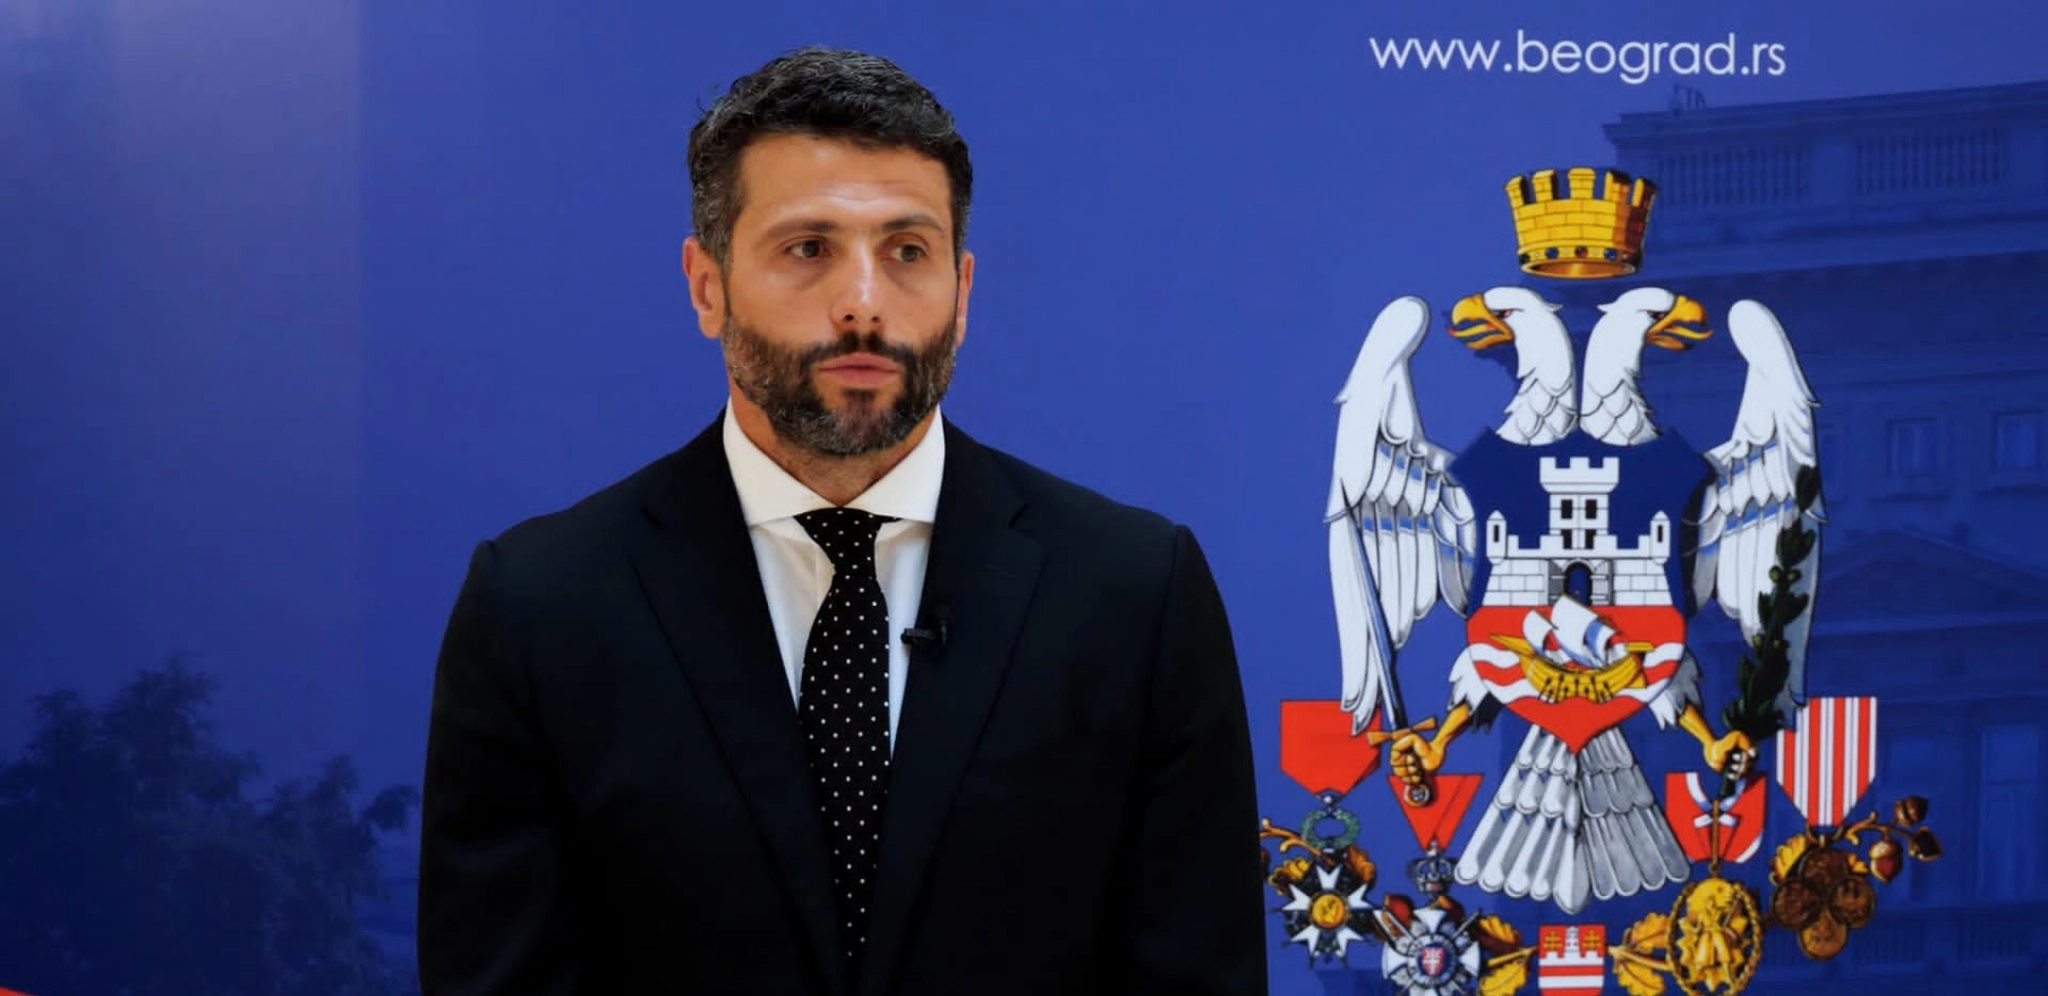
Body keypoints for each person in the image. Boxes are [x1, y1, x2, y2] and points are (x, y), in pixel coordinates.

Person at [416, 45, 1267, 996]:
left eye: (907, 252)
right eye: (808, 249)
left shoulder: (1134, 594)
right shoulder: (541, 607)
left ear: (964, 291)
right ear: (707, 286)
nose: (864, 304)